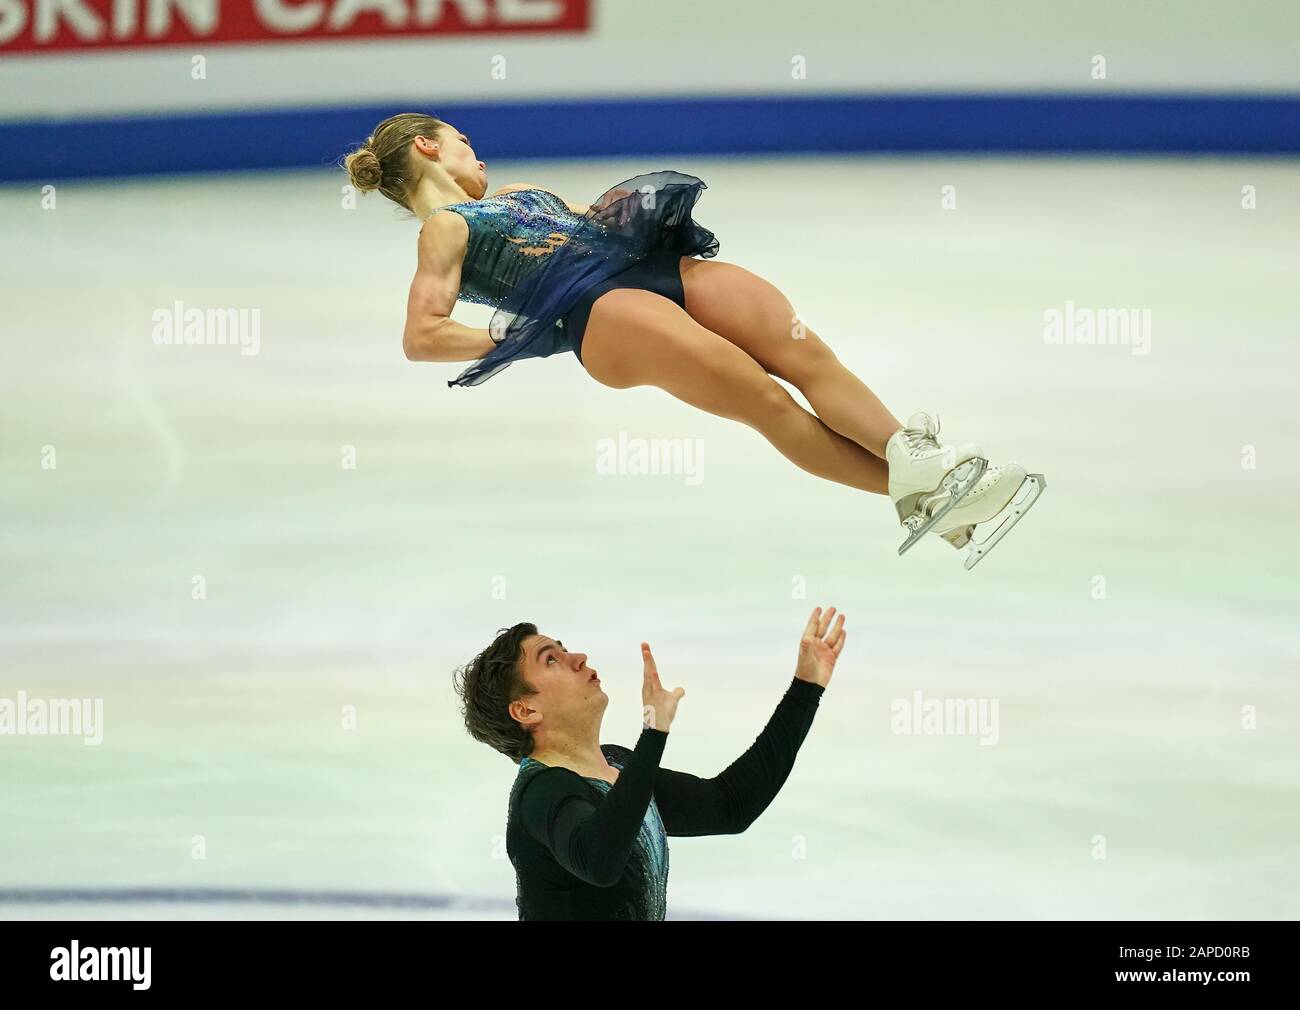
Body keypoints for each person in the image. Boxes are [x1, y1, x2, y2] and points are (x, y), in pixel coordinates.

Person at [341, 113, 1044, 564]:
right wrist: (538, 335)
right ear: (429, 147)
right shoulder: (446, 228)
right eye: (465, 142)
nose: (479, 155)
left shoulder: (516, 191)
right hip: (598, 314)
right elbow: (421, 336)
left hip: (645, 270)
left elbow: (589, 224)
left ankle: (924, 470)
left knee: (801, 349)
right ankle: (928, 493)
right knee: (764, 398)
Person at [451, 606, 846, 920]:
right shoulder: (540, 794)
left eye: (563, 647)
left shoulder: (616, 766)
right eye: (550, 659)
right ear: (526, 709)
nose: (577, 657)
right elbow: (599, 858)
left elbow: (731, 806)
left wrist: (805, 689)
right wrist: (653, 734)